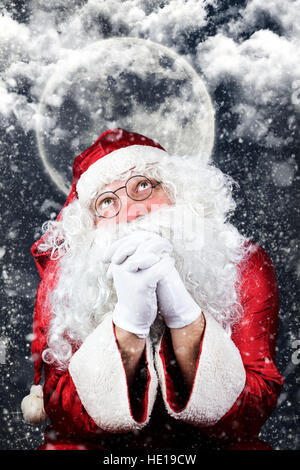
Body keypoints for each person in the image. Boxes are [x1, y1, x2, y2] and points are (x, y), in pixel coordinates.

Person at [21, 128, 284, 451]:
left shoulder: (243, 261)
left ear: (179, 192)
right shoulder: (67, 280)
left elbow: (253, 410)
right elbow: (64, 413)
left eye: (143, 186)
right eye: (106, 202)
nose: (131, 212)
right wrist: (129, 325)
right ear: (90, 227)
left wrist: (183, 315)